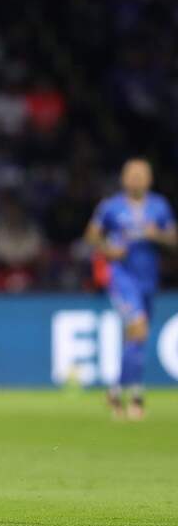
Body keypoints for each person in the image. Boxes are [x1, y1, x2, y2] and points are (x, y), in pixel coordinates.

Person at [85, 158, 176, 420]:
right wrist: (108, 250)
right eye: (131, 174)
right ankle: (135, 396)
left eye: (141, 174)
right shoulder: (111, 207)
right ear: (123, 179)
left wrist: (157, 235)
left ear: (149, 179)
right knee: (139, 327)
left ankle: (117, 391)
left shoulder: (159, 206)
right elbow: (91, 235)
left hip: (148, 278)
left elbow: (173, 239)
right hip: (122, 277)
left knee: (137, 337)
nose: (136, 179)